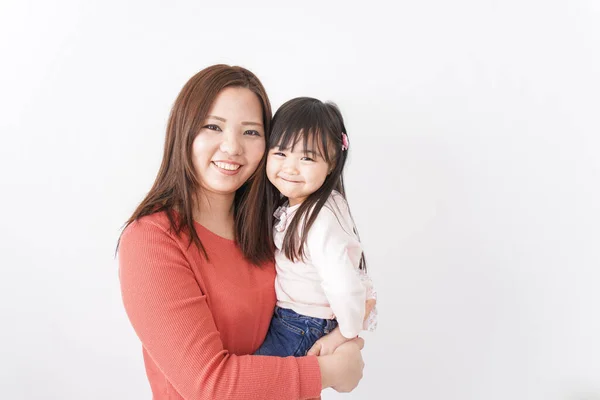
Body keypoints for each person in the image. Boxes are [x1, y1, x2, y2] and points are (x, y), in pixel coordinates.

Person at [117, 65, 367, 400]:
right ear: (183, 132)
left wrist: (345, 338)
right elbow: (210, 385)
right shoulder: (152, 241)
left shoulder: (274, 226)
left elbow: (338, 291)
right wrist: (332, 371)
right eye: (213, 126)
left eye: (251, 132)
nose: (232, 147)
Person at [254, 97, 377, 358]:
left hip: (302, 325)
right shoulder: (317, 205)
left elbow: (342, 282)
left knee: (254, 385)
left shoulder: (319, 219)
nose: (290, 167)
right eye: (280, 153)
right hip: (296, 321)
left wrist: (345, 333)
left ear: (332, 163)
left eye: (307, 158)